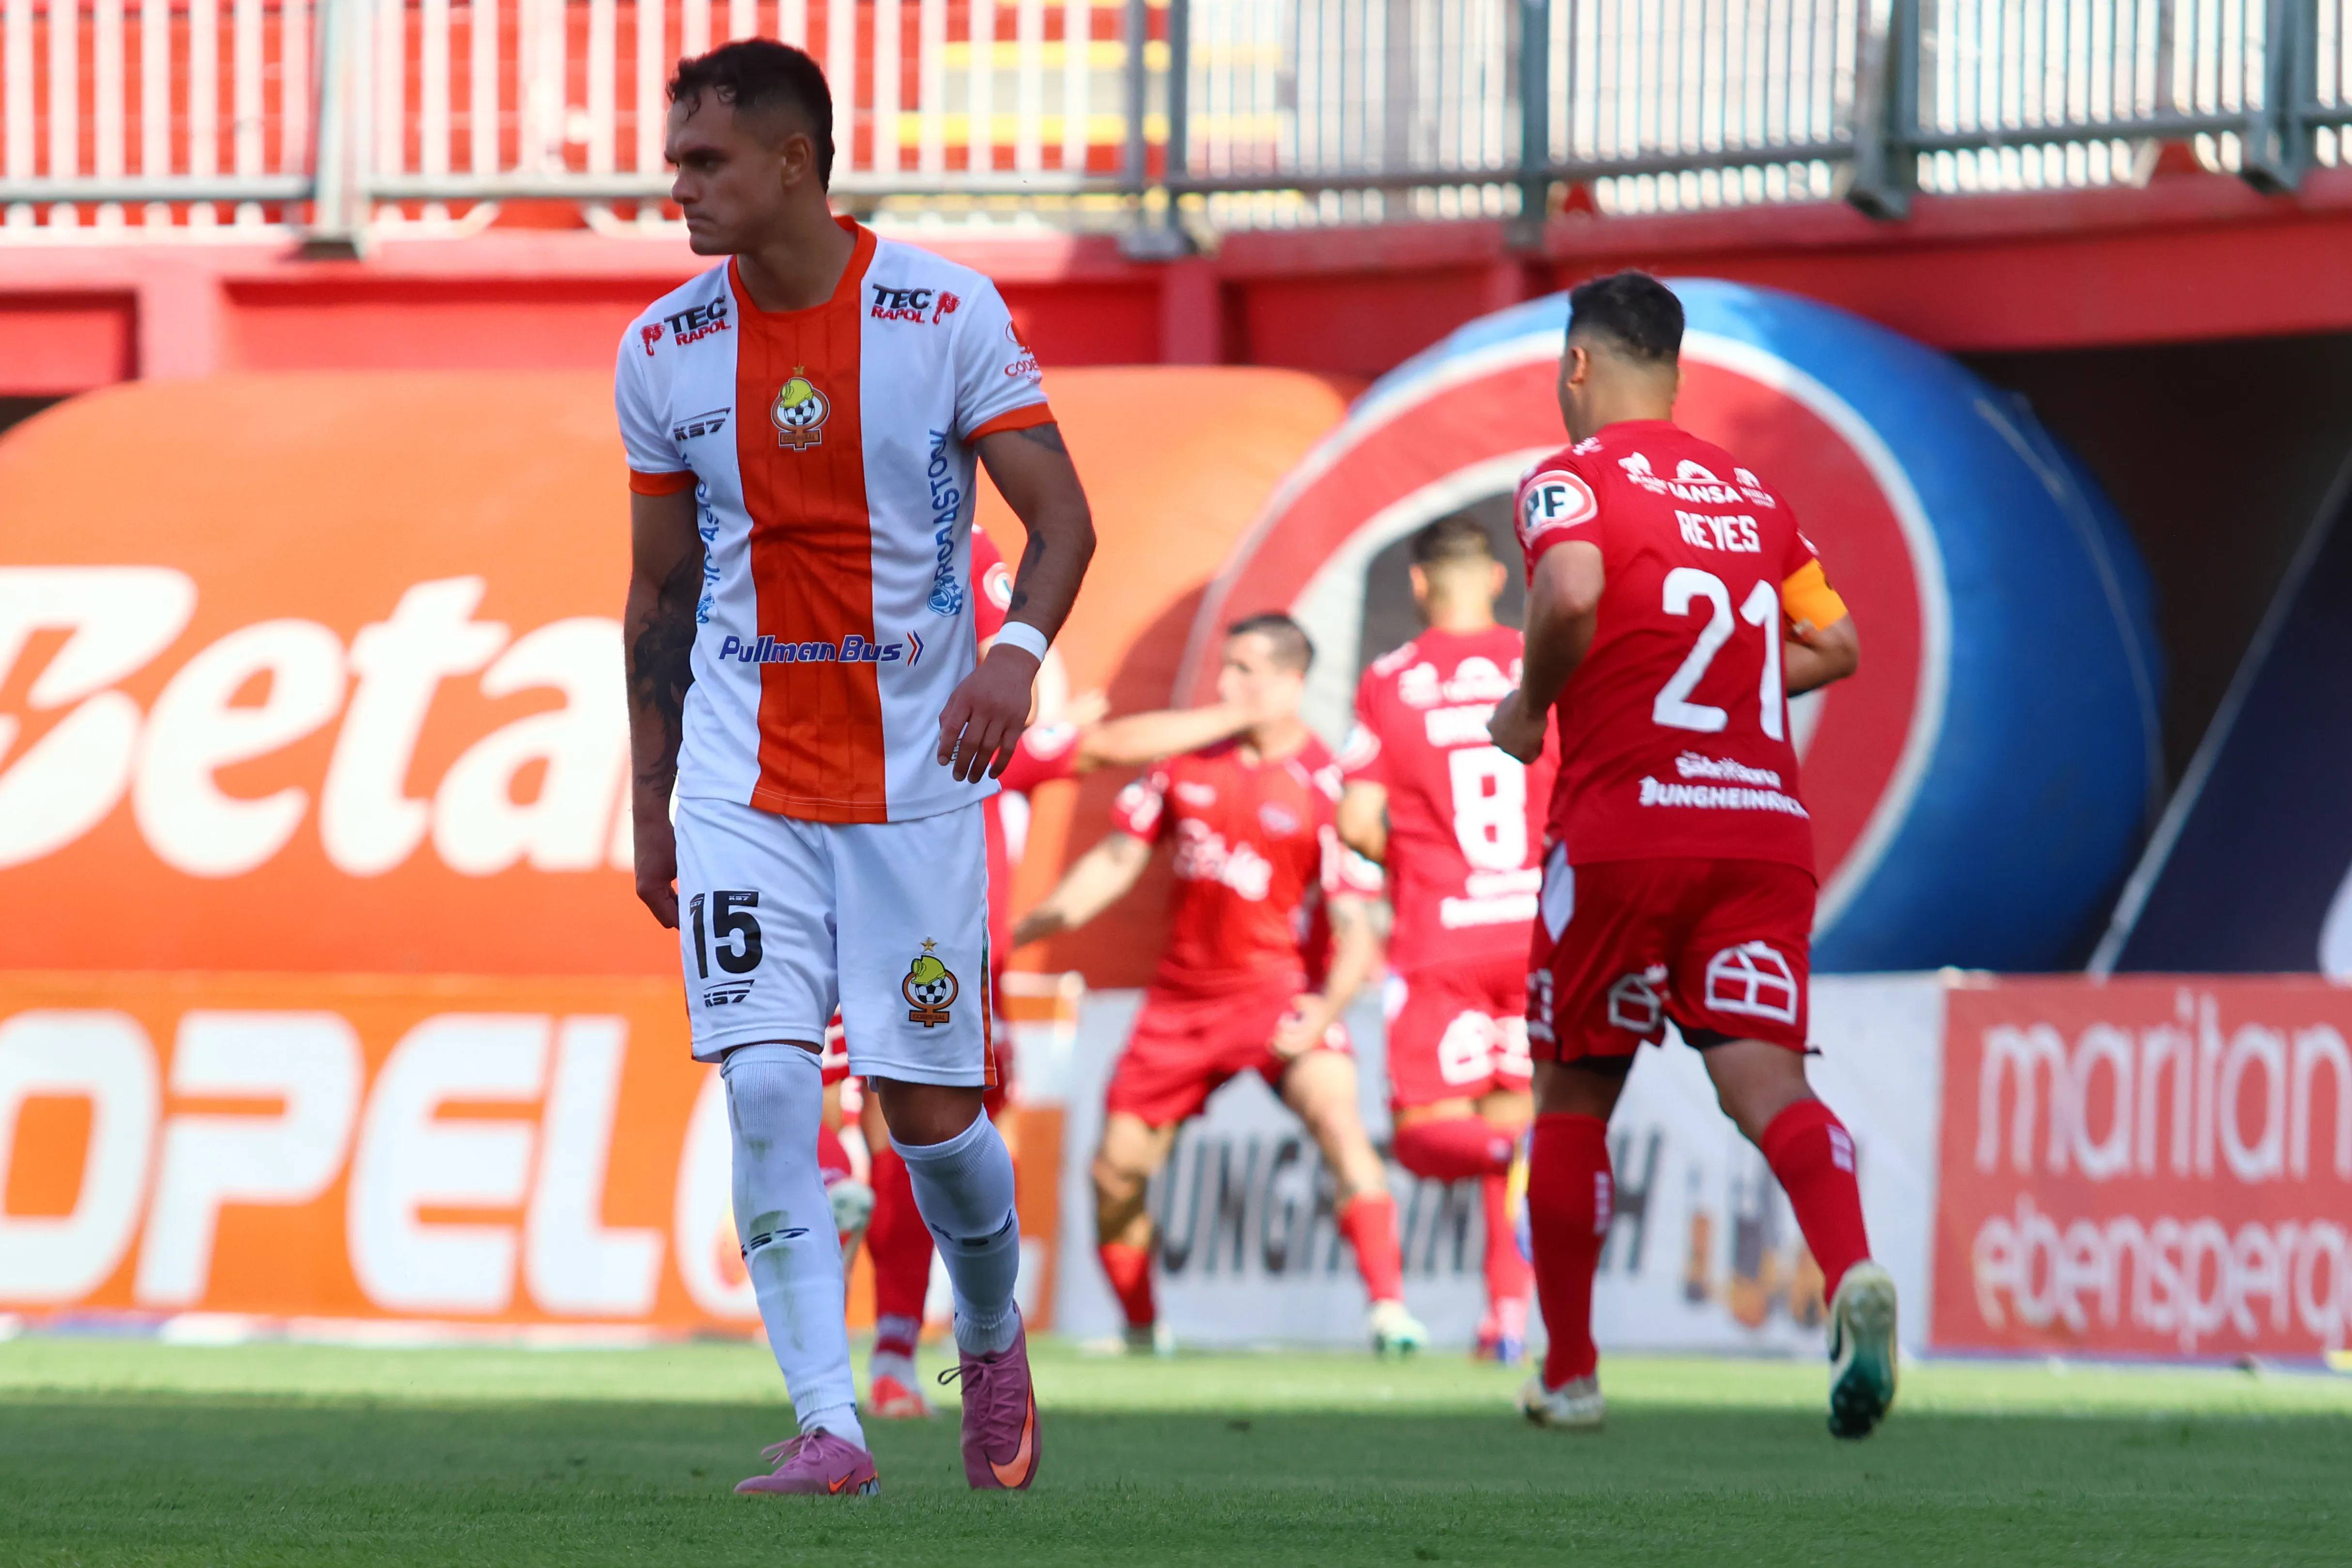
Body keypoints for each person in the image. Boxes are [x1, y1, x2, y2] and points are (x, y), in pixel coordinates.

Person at [617, 39, 1093, 1496]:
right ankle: (830, 1420)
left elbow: (1063, 518)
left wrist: (1014, 653)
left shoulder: (941, 309)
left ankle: (993, 1329)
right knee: (764, 1086)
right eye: (678, 157)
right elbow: (659, 599)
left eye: (707, 161)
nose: (680, 187)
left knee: (928, 1117)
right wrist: (649, 801)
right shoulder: (662, 348)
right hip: (740, 777)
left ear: (794, 164)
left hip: (918, 780)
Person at [1485, 271, 1892, 1439]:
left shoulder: (1568, 481)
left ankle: (1569, 1371)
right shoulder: (1754, 497)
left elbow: (1567, 595)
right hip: (1763, 830)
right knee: (1768, 1083)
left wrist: (1528, 709)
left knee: (1571, 1094)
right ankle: (1853, 1268)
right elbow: (1839, 641)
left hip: (1625, 827)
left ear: (1576, 367)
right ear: (1675, 369)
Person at [862, 534, 1261, 1418]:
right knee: (925, 1156)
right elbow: (1104, 745)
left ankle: (898, 1336)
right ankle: (920, 1347)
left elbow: (1093, 743)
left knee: (887, 1147)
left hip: (910, 952)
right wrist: (1233, 720)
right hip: (946, 966)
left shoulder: (952, 724)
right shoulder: (971, 719)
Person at [1016, 614, 1429, 1357]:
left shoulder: (1327, 782)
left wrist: (1324, 1010)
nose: (1226, 684)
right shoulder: (1184, 764)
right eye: (1225, 667)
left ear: (1290, 682)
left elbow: (1357, 927)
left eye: (1244, 670)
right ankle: (1145, 1334)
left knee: (1340, 1123)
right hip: (1180, 1004)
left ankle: (1390, 1313)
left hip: (1281, 996)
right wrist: (1020, 932)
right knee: (1114, 1176)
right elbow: (1114, 864)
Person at [1336, 514, 1557, 1365]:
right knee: (1517, 1131)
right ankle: (1506, 1322)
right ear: (1500, 579)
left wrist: (1421, 857)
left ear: (1421, 583)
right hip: (1537, 929)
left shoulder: (1392, 680)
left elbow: (1357, 821)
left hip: (1443, 935)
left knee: (1427, 1134)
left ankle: (1519, 1146)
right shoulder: (1541, 664)